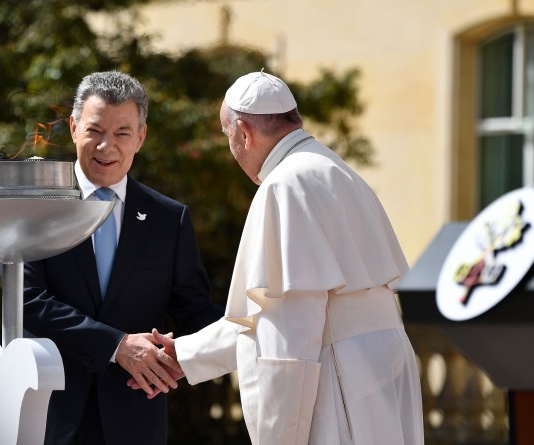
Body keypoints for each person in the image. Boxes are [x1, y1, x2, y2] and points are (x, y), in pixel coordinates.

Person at [135, 71, 425, 444]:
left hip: (341, 379)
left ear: (243, 131)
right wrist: (187, 354)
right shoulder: (338, 170)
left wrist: (278, 436)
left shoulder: (284, 185)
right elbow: (268, 314)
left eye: (228, 138)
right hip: (382, 370)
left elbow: (290, 339)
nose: (232, 149)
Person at [22, 70, 222, 445]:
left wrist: (198, 351)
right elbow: (25, 298)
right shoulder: (38, 207)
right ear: (73, 127)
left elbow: (194, 311)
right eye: (95, 131)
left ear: (141, 137)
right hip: (49, 414)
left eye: (122, 134)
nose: (106, 146)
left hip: (136, 414)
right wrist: (116, 346)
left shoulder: (169, 219)